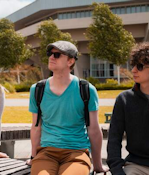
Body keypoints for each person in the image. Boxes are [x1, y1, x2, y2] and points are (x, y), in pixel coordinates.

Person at [28, 41, 108, 175]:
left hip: (77, 153)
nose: (51, 57)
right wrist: (33, 157)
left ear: (70, 61)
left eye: (57, 54)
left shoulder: (86, 90)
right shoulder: (37, 90)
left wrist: (98, 165)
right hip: (46, 152)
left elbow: (94, 129)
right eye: (50, 54)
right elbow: (36, 127)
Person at [107, 42, 149, 175]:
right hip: (136, 166)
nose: (133, 70)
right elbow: (114, 138)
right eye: (133, 65)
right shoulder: (124, 99)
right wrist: (117, 169)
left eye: (140, 67)